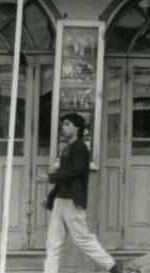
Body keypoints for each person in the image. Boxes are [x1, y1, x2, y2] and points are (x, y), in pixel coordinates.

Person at [43, 112, 123, 273]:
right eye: (63, 125)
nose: (63, 128)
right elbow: (65, 176)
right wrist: (52, 197)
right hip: (61, 200)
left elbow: (75, 172)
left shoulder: (79, 147)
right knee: (53, 243)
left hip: (72, 200)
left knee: (83, 239)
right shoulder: (68, 148)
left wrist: (49, 177)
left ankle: (112, 266)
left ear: (77, 127)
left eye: (67, 124)